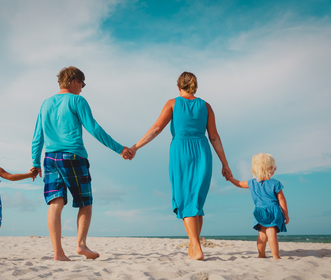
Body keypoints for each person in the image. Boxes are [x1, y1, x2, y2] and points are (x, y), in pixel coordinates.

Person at [31, 66, 134, 261]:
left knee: (55, 202)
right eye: (82, 84)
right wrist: (119, 148)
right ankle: (80, 244)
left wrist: (35, 162)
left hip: (50, 158)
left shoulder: (45, 104)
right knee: (85, 202)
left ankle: (58, 253)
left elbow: (38, 136)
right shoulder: (77, 100)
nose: (82, 88)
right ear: (74, 81)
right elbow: (94, 128)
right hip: (73, 156)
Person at [130, 71, 231, 260]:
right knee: (196, 202)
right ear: (195, 87)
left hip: (181, 151)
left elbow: (156, 129)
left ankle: (196, 246)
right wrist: (225, 164)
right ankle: (195, 247)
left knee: (186, 199)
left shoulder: (172, 103)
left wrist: (136, 147)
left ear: (178, 87)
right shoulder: (206, 106)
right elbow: (215, 137)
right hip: (202, 151)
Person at [227, 153, 289, 259]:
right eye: (275, 168)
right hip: (273, 210)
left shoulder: (252, 183)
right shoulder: (275, 183)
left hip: (259, 211)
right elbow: (281, 200)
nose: (275, 169)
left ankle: (261, 255)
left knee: (262, 234)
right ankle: (276, 256)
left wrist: (230, 177)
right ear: (270, 168)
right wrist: (286, 215)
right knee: (271, 232)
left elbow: (239, 184)